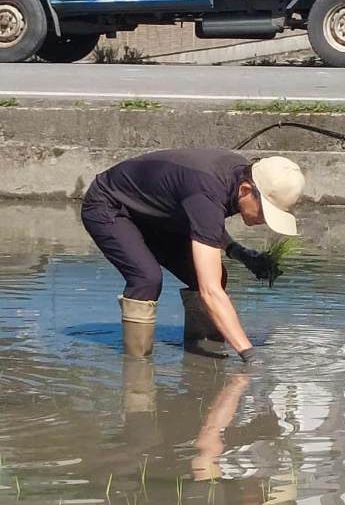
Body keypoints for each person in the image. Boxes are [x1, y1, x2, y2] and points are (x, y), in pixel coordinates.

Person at [80, 149, 304, 363]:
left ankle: (204, 353)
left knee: (214, 276)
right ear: (246, 191)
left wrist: (243, 255)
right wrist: (250, 356)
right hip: (110, 205)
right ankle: (137, 366)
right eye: (265, 212)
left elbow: (205, 222)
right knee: (146, 278)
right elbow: (210, 292)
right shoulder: (208, 188)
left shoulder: (235, 179)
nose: (264, 221)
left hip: (158, 215)